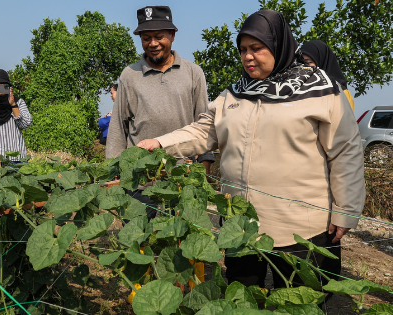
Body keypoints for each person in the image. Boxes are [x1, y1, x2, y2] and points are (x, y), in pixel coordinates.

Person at [137, 10, 365, 289]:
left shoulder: (320, 90)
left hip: (302, 228)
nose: (247, 56)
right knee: (242, 296)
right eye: (243, 49)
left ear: (279, 45)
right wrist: (160, 143)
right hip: (241, 226)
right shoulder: (235, 93)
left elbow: (346, 152)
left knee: (301, 300)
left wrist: (346, 210)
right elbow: (204, 131)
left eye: (256, 48)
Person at [106, 5, 215, 169]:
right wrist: (114, 169)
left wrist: (203, 168)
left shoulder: (193, 73)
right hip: (140, 176)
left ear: (172, 35)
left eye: (159, 37)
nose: (153, 43)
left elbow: (204, 124)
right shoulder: (129, 74)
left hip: (181, 175)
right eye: (146, 38)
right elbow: (118, 129)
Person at [301, 40, 355, 110]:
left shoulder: (341, 93)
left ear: (322, 62)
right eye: (301, 63)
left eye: (308, 63)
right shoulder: (294, 89)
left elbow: (345, 119)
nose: (304, 67)